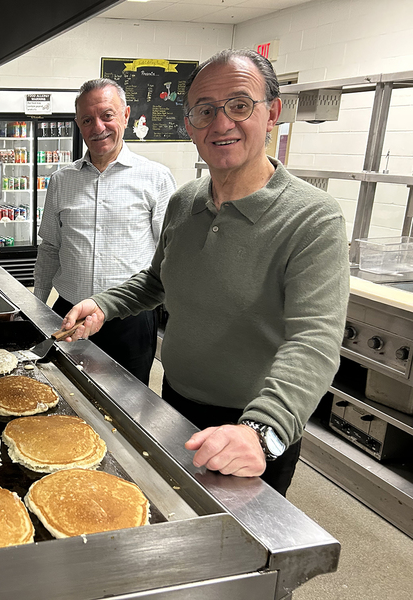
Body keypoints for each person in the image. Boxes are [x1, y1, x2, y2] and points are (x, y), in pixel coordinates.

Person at [60, 50, 350, 496]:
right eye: (205, 110)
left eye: (239, 105)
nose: (221, 123)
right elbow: (158, 281)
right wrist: (104, 304)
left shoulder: (313, 218)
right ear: (190, 124)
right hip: (175, 400)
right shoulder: (185, 201)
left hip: (252, 422)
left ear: (271, 113)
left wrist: (264, 430)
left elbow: (314, 341)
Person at [33, 78, 176, 384]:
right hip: (69, 313)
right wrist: (37, 306)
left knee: (128, 402)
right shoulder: (61, 181)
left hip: (130, 318)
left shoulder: (156, 178)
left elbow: (170, 256)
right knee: (64, 394)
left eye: (107, 116)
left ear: (125, 115)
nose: (98, 127)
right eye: (87, 120)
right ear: (78, 124)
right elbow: (49, 249)